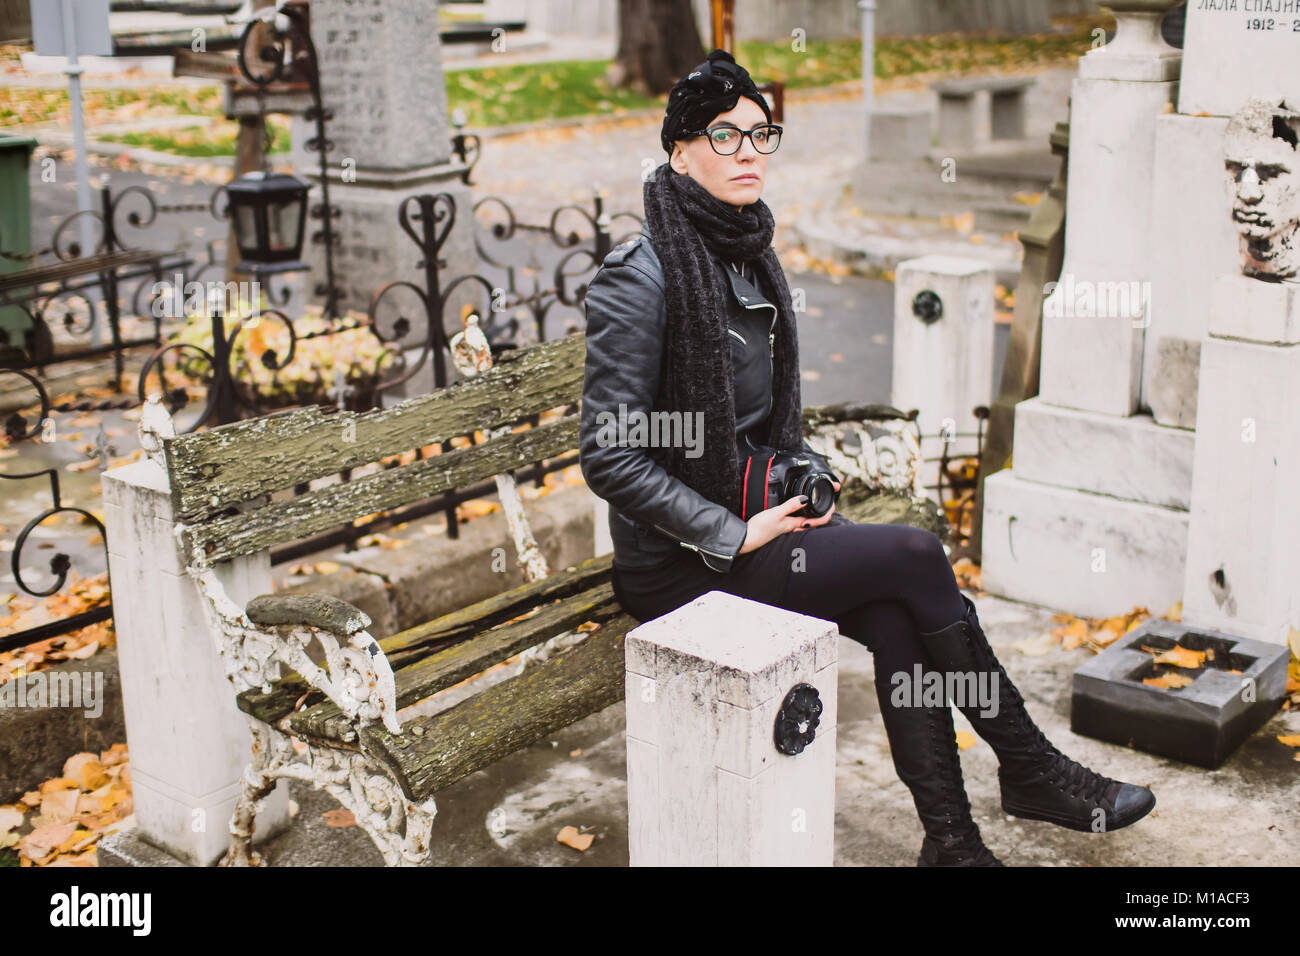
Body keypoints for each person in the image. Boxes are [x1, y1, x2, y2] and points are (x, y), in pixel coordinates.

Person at [578, 49, 1155, 866]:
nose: (750, 154)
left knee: (895, 611)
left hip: (753, 522)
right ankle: (1030, 769)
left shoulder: (747, 253)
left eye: (761, 135)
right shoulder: (642, 278)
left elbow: (762, 427)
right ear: (679, 152)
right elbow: (609, 458)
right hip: (680, 564)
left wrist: (801, 471)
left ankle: (953, 844)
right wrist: (730, 533)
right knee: (916, 554)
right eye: (725, 136)